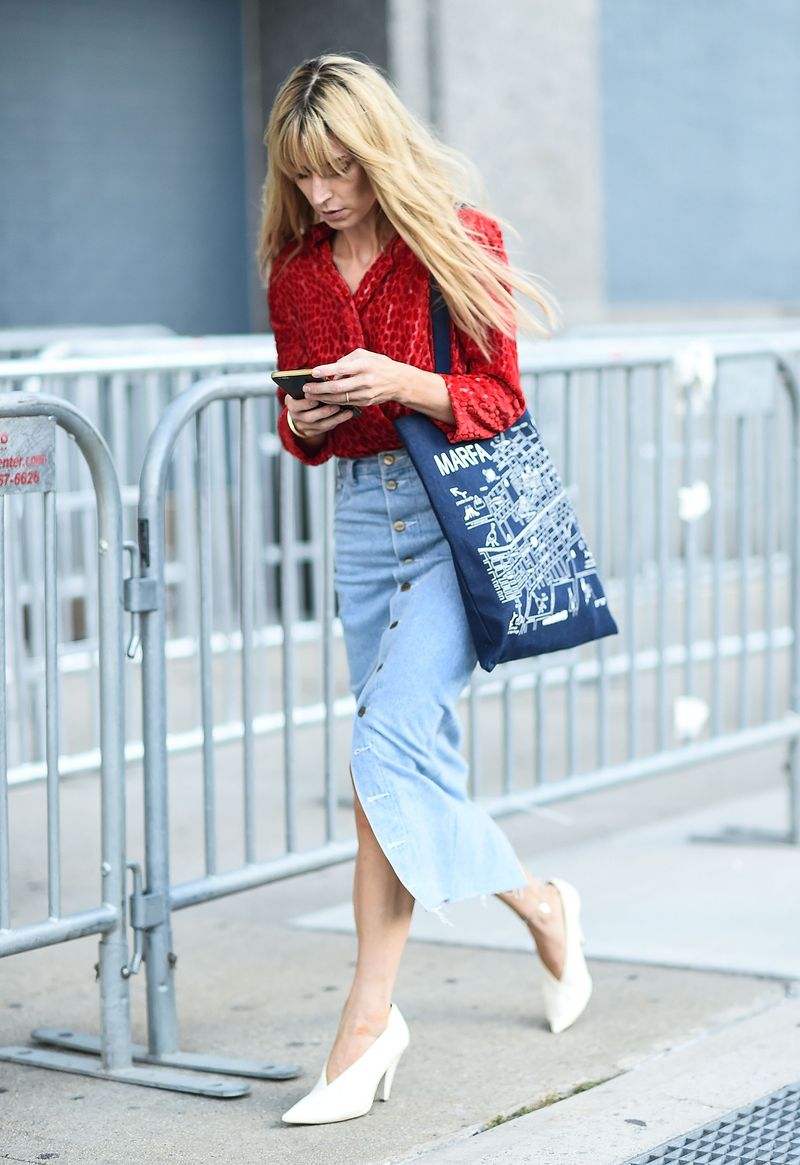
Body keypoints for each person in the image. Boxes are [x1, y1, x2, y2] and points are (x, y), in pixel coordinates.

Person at [259, 54, 592, 1127]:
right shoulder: (296, 272)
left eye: (341, 169)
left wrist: (404, 382)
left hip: (453, 518)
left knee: (382, 748)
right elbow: (306, 422)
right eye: (304, 174)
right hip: (363, 518)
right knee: (398, 761)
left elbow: (498, 398)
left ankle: (365, 1023)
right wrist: (303, 424)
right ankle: (540, 904)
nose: (323, 194)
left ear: (378, 151)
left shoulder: (459, 240)